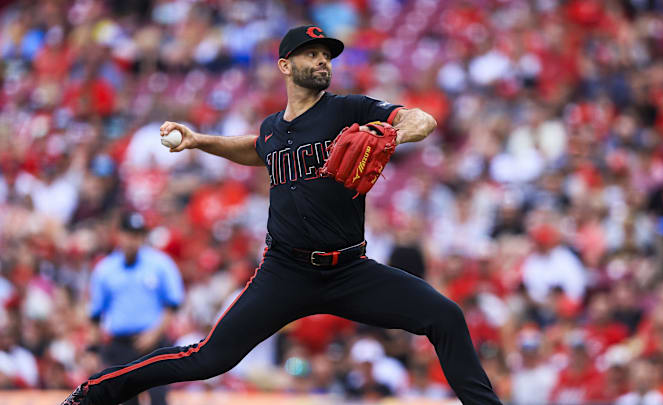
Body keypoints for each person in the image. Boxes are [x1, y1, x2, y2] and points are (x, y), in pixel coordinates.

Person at [61, 25, 501, 405]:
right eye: (311, 53)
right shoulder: (274, 129)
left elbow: (421, 120)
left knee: (445, 316)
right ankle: (94, 395)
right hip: (285, 271)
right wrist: (198, 140)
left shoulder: (349, 110)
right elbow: (256, 149)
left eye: (326, 54)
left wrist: (388, 131)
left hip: (350, 269)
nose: (322, 60)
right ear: (285, 66)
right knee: (206, 358)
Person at [86, 211, 184, 405]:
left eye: (137, 235)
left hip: (154, 344)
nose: (132, 240)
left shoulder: (160, 264)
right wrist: (93, 350)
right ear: (119, 235)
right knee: (123, 400)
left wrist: (155, 334)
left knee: (158, 398)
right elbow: (96, 314)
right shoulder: (105, 269)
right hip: (120, 345)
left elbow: (172, 304)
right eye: (129, 234)